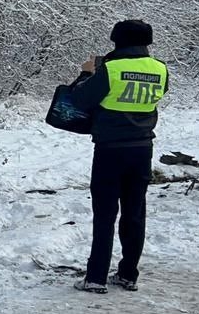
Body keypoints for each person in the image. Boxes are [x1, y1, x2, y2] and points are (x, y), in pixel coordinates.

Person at [69, 20, 168, 293]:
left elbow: (79, 100)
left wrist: (86, 74)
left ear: (117, 41)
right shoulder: (160, 69)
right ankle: (128, 274)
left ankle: (96, 277)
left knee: (105, 214)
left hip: (110, 149)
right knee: (134, 214)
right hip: (142, 148)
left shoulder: (111, 69)